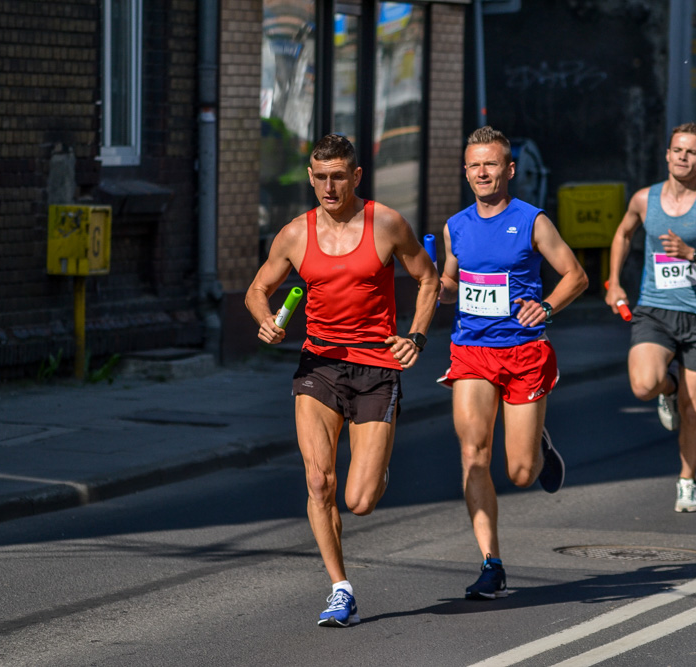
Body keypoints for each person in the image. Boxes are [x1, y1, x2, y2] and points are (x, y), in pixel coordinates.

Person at [246, 134, 439, 627]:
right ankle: (340, 588)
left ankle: (376, 474)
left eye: (338, 176)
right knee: (317, 480)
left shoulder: (387, 224)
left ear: (356, 176)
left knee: (360, 501)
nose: (329, 187)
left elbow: (428, 277)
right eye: (320, 177)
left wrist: (414, 337)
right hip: (319, 366)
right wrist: (265, 318)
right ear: (310, 177)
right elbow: (258, 288)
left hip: (377, 368)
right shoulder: (294, 234)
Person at [438, 126, 588, 599]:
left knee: (520, 472)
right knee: (472, 454)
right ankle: (491, 563)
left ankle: (539, 444)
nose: (482, 172)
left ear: (509, 169)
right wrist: (434, 284)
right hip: (471, 351)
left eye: (491, 164)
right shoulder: (455, 226)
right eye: (474, 165)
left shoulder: (531, 221)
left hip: (523, 352)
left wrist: (545, 307)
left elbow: (575, 276)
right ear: (466, 172)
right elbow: (449, 284)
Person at [604, 122, 696, 513]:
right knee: (643, 385)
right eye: (677, 150)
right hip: (655, 310)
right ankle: (667, 390)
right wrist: (614, 282)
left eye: (692, 152)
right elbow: (623, 234)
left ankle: (687, 480)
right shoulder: (645, 200)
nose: (683, 157)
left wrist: (691, 253)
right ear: (667, 155)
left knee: (693, 406)